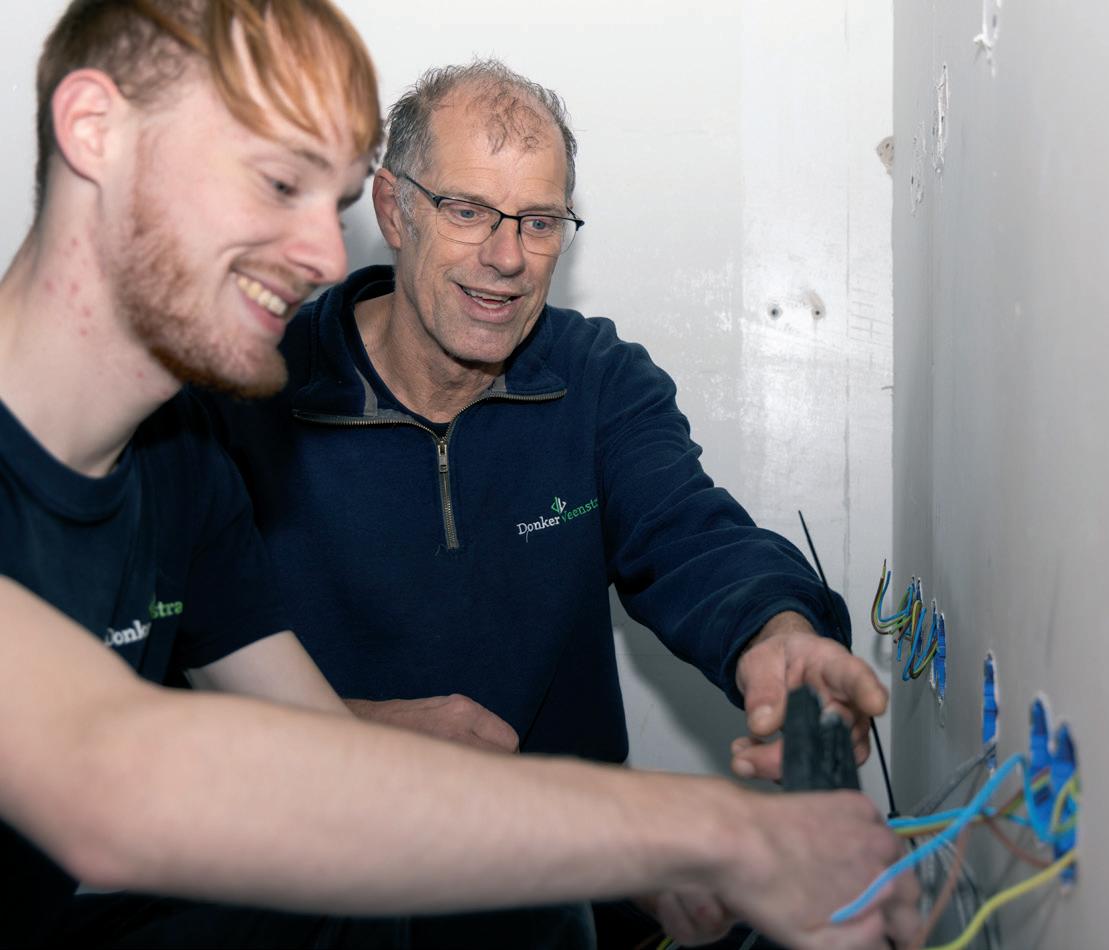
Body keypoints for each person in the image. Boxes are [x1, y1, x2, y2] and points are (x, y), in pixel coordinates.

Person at [0, 2, 919, 948]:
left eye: (539, 221)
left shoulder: (178, 465)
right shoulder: (223, 420)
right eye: (277, 183)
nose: (324, 255)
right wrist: (705, 834)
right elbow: (118, 772)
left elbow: (315, 762)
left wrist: (648, 841)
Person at [206, 59, 888, 790]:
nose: (507, 259)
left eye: (539, 223)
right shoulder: (245, 391)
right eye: (467, 211)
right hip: (312, 835)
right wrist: (350, 732)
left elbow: (692, 536)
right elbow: (157, 671)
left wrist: (779, 634)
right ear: (395, 211)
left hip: (566, 841)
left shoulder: (598, 378)